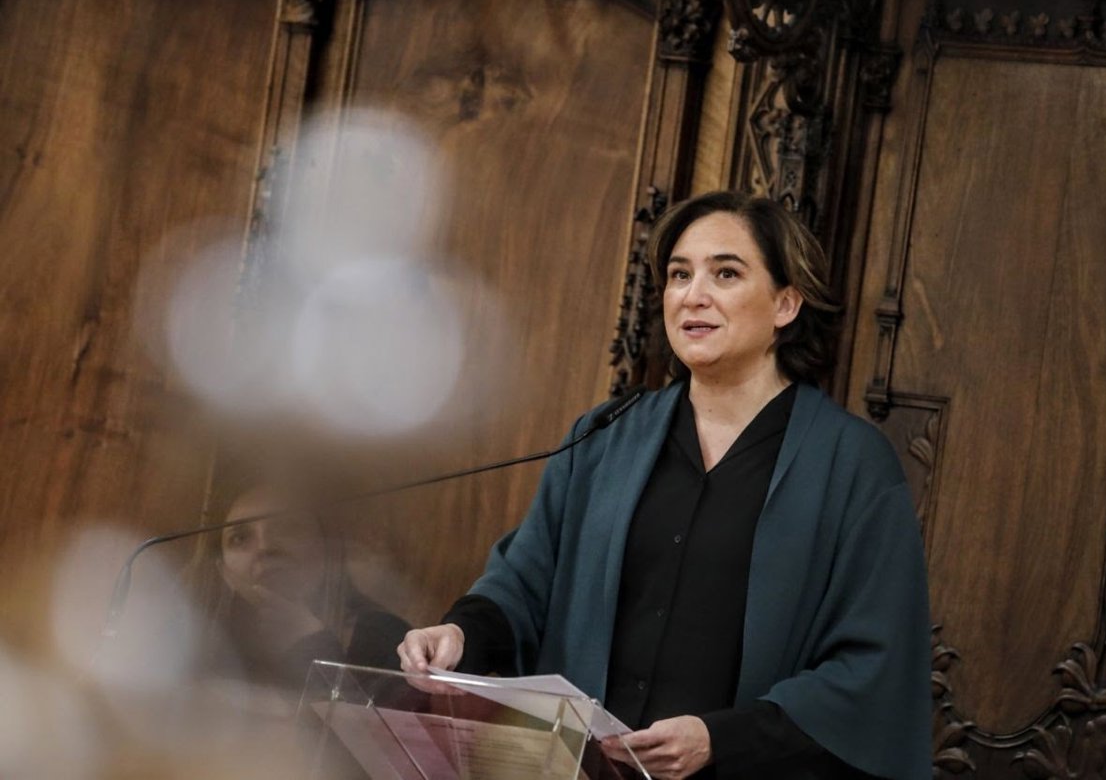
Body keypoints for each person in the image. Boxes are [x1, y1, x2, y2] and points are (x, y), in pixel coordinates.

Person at [397, 190, 930, 779]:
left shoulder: (852, 464)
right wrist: (461, 633)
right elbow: (526, 581)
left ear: (786, 303)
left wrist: (718, 739)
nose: (693, 295)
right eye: (680, 274)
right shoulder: (604, 437)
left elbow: (872, 666)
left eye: (725, 273)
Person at [192, 484, 412, 690]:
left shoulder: (385, 638)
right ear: (222, 568)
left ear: (327, 545)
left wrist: (310, 642)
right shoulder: (202, 646)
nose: (265, 547)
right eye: (240, 538)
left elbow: (368, 719)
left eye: (287, 528)